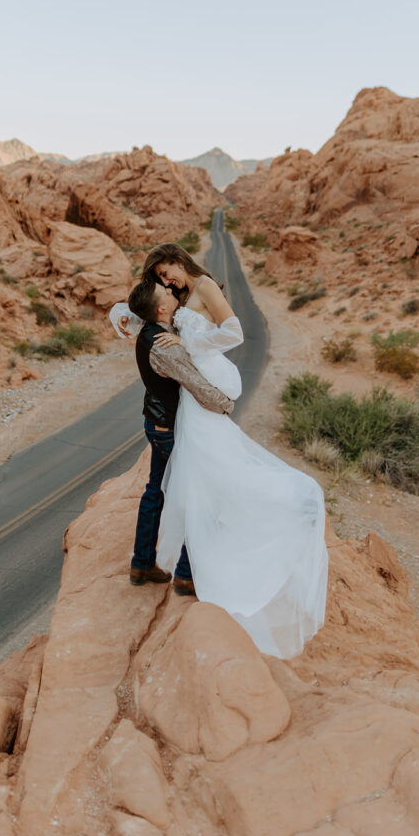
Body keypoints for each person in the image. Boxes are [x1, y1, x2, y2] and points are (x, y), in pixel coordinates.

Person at [110, 243, 328, 659]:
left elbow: (229, 332)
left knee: (173, 484)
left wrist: (196, 341)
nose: (166, 282)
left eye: (167, 274)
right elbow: (178, 362)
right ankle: (183, 572)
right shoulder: (165, 325)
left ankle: (148, 561)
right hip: (177, 410)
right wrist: (219, 397)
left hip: (177, 401)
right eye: (160, 281)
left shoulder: (195, 292)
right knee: (194, 486)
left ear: (178, 260)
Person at [123, 275, 235, 597]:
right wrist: (225, 404)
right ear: (160, 310)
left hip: (155, 423)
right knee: (194, 494)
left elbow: (130, 312)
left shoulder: (150, 330)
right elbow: (196, 383)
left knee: (155, 491)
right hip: (169, 429)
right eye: (166, 292)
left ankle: (141, 562)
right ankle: (185, 574)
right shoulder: (163, 346)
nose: (172, 291)